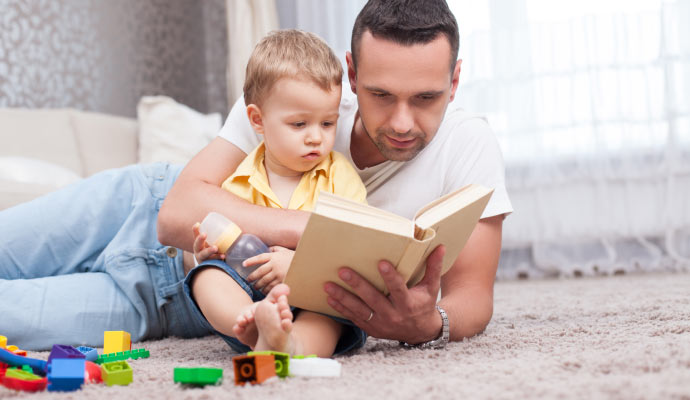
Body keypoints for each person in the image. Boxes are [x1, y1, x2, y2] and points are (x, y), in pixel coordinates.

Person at [159, 0, 513, 349]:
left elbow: (473, 295)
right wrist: (311, 227)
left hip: (231, 294)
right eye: (381, 95)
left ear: (453, 83)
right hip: (156, 208)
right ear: (353, 76)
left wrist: (431, 324)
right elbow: (175, 215)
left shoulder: (469, 143)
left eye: (425, 98)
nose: (402, 124)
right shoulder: (296, 97)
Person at [187, 29, 368, 357]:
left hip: (312, 292)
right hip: (251, 292)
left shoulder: (340, 177)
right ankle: (251, 323)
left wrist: (301, 266)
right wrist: (207, 253)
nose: (316, 137)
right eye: (299, 125)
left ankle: (291, 345)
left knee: (333, 308)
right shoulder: (239, 181)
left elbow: (357, 250)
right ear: (257, 120)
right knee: (206, 276)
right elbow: (229, 248)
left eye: (327, 124)